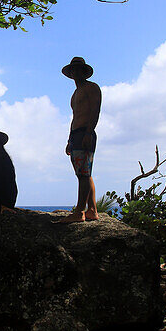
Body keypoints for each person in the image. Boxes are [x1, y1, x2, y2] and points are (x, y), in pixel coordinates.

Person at [58, 56, 101, 223]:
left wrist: (89, 133)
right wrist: (69, 139)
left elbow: (95, 111)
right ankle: (92, 209)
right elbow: (74, 117)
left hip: (85, 132)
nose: (76, 73)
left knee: (84, 173)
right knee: (83, 173)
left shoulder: (92, 88)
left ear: (85, 72)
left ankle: (79, 212)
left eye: (78, 70)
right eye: (73, 70)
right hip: (76, 134)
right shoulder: (75, 93)